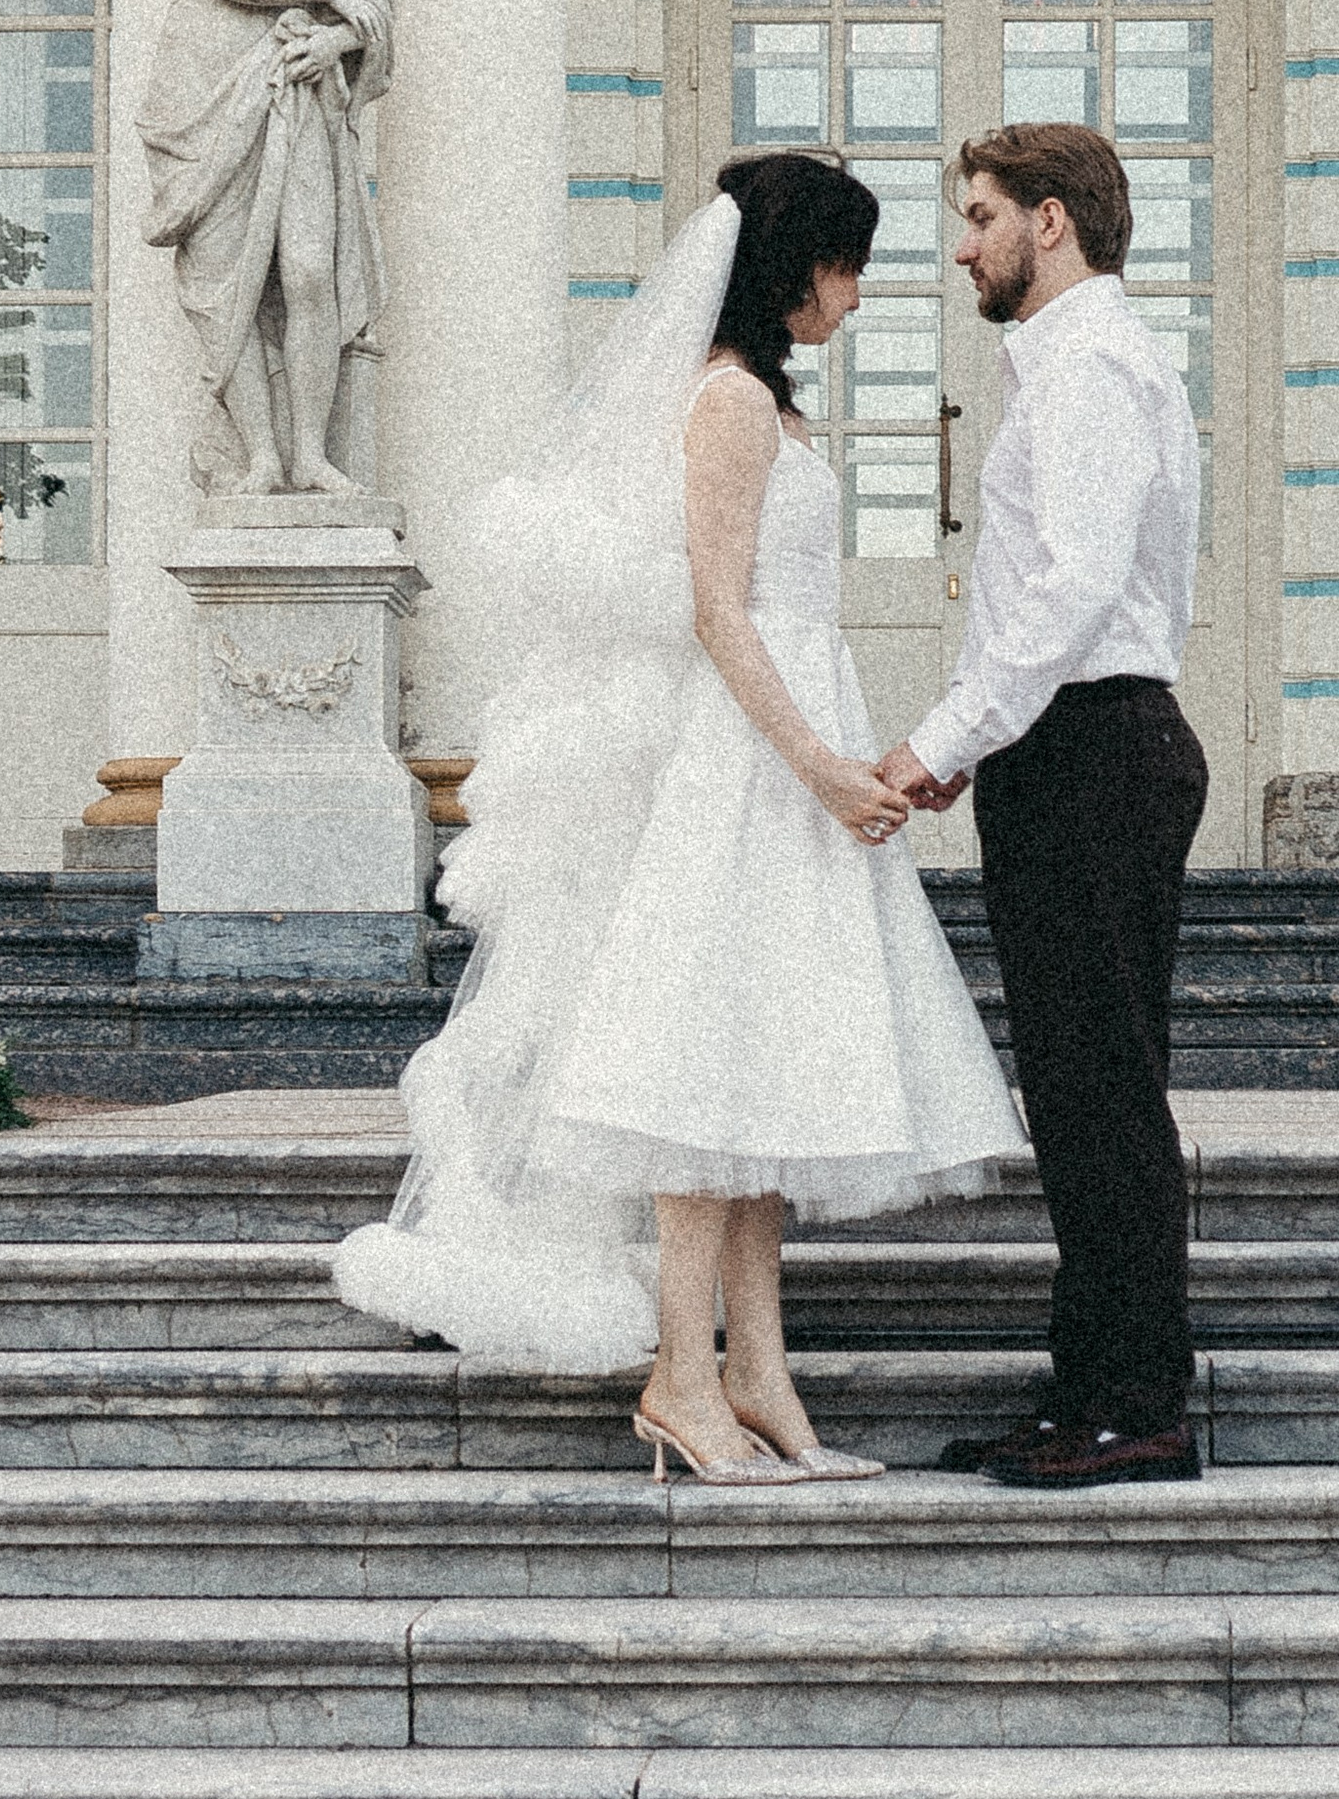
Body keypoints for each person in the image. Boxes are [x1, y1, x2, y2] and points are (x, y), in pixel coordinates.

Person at [333, 150, 1020, 1483]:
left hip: (790, 748)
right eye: (847, 265)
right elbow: (718, 610)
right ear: (793, 267)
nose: (859, 295)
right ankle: (679, 1376)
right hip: (749, 758)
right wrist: (822, 766)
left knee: (764, 1066)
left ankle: (757, 1376)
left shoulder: (765, 406)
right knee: (707, 1062)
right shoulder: (727, 405)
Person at [880, 123, 1206, 1490]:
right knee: (1074, 1096)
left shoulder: (1089, 371)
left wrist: (941, 738)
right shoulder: (1081, 367)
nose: (962, 246)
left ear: (1053, 222)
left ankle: (1137, 1406)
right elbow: (1046, 594)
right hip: (1072, 744)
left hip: (1096, 747)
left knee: (1102, 1093)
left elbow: (1071, 591)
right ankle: (1087, 1392)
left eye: (978, 216)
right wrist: (971, 748)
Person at [137, 0, 393, 497]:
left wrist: (336, 40)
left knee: (310, 269)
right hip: (205, 74)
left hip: (296, 78)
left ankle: (312, 453)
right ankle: (261, 456)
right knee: (226, 280)